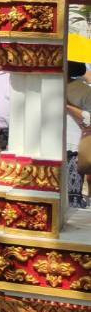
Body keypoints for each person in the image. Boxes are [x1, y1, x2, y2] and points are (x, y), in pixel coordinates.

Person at [66, 61, 91, 209]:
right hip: (49, 147)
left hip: (73, 145)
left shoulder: (83, 90)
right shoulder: (48, 86)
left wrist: (68, 106)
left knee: (71, 199)